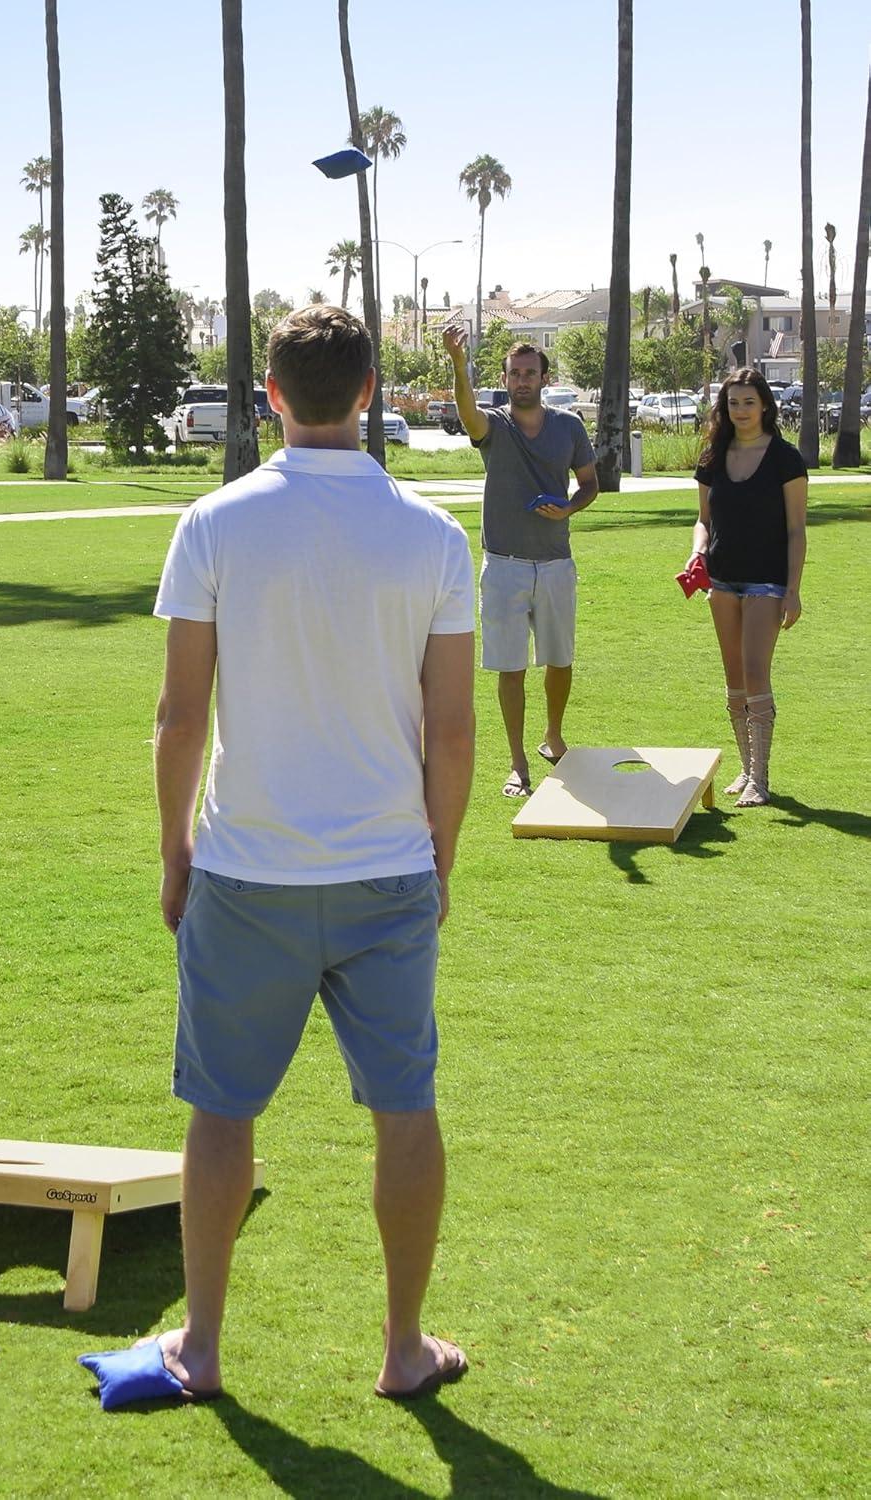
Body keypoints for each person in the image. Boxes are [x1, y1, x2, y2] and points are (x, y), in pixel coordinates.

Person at [150, 305, 476, 1401]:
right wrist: (441, 860)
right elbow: (456, 728)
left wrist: (173, 850)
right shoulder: (433, 535)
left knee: (221, 1112)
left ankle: (200, 1345)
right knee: (405, 1109)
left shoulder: (213, 523)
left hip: (247, 874)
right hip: (388, 871)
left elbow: (178, 716)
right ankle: (401, 1349)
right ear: (373, 389)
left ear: (274, 394)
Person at [444, 325, 598, 797]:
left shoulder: (569, 426)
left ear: (545, 378)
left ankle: (553, 736)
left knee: (559, 659)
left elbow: (589, 482)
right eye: (515, 374)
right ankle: (517, 764)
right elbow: (467, 413)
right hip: (504, 564)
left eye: (531, 373)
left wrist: (569, 507)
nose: (523, 380)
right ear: (506, 379)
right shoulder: (494, 426)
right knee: (509, 667)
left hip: (554, 562)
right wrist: (457, 362)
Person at [686, 369, 807, 806]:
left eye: (748, 402)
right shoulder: (712, 458)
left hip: (767, 581)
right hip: (721, 579)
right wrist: (697, 552)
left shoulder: (785, 459)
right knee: (734, 675)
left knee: (756, 671)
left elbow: (796, 530)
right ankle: (746, 768)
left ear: (765, 407)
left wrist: (792, 590)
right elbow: (704, 520)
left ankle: (761, 777)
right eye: (733, 403)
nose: (741, 411)